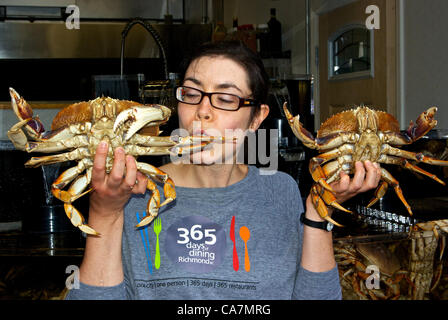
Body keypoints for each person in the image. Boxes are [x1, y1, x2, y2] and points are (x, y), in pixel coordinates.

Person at [66, 40, 381, 300]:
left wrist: (317, 211)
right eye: (191, 94)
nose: (203, 111)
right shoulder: (130, 190)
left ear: (257, 118)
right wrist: (105, 213)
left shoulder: (280, 190)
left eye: (226, 98)